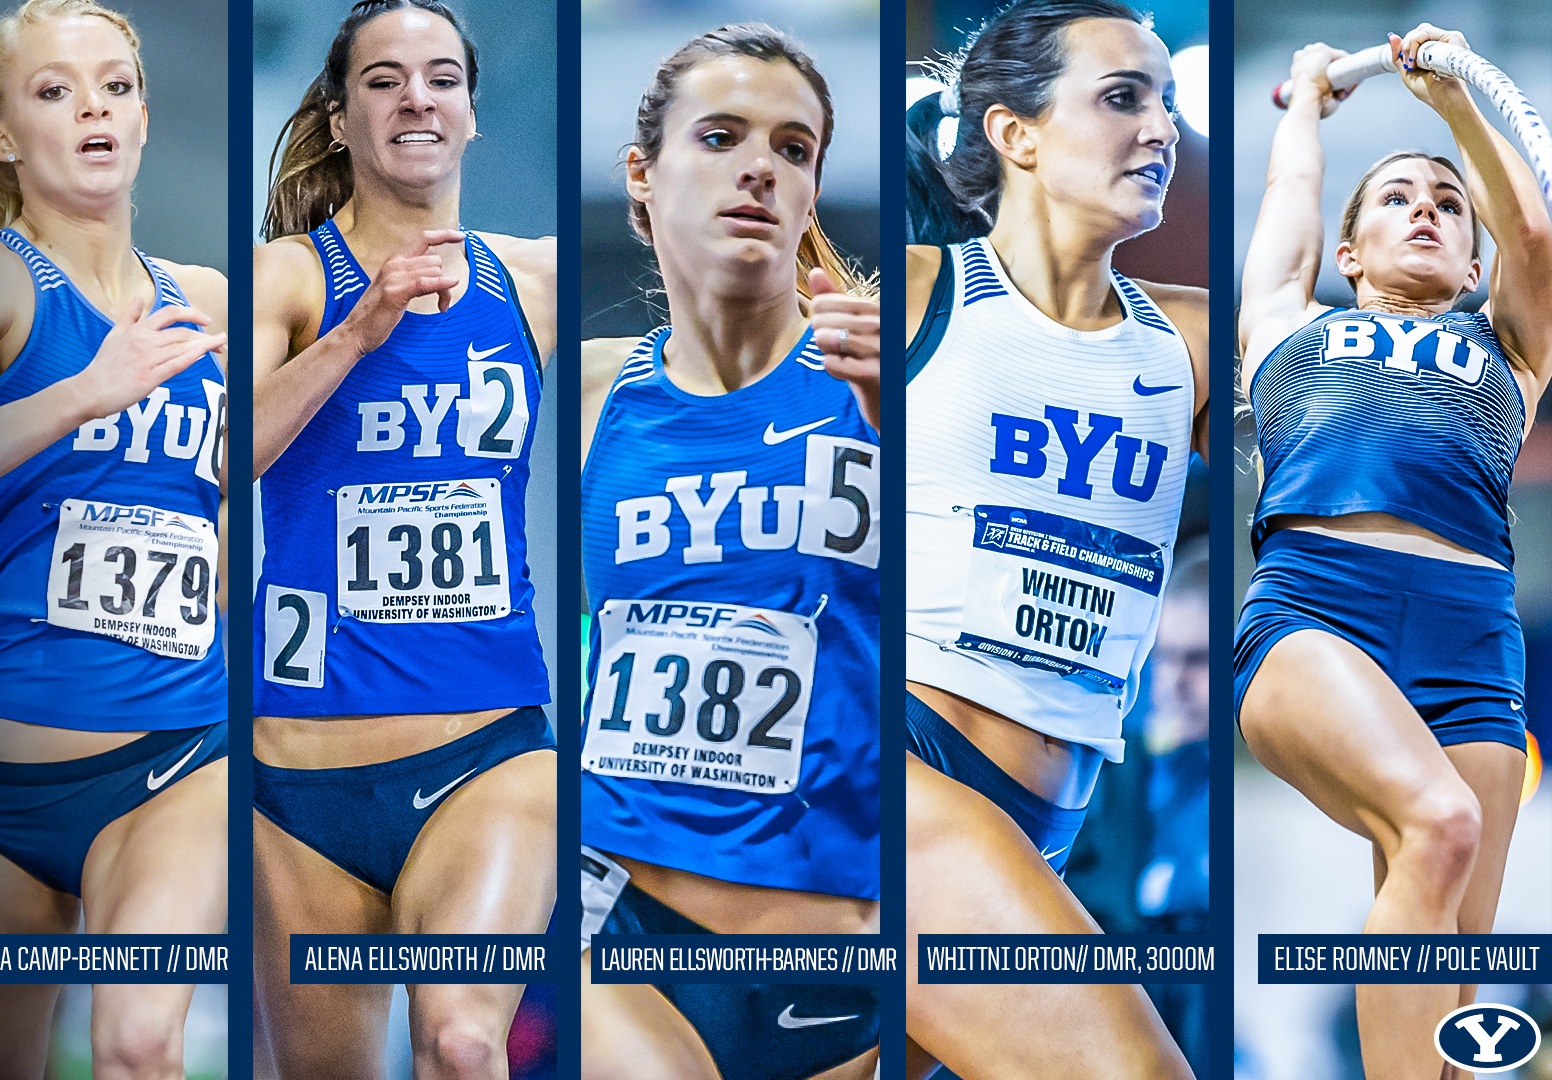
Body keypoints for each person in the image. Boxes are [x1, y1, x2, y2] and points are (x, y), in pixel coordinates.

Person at [0, 2, 229, 1077]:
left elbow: (221, 516)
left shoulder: (206, 302)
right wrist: (83, 393)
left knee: (139, 1046)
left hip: (177, 759)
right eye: (54, 91)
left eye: (116, 86)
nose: (93, 107)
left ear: (140, 117)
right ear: (4, 135)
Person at [250, 1, 558, 1076]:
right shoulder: (291, 278)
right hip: (300, 782)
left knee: (464, 1045)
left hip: (487, 757)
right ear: (341, 119)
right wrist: (361, 330)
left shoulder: (532, 279)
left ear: (472, 112)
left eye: (440, 77)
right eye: (383, 79)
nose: (416, 96)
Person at [1237, 23, 1550, 1080]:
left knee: (1456, 976)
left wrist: (1455, 102)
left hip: (1474, 644)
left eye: (1449, 204)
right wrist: (1315, 97)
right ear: (1348, 251)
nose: (1425, 206)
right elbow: (1288, 196)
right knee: (1442, 823)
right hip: (1318, 609)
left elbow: (1539, 244)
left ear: (1473, 264)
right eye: (1396, 198)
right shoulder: (1286, 323)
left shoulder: (1509, 348)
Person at [903, 0, 1207, 1075]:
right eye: (1124, 97)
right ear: (1014, 133)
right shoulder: (918, 296)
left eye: (1166, 101)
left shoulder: (1192, 337)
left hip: (1048, 821)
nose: (1162, 127)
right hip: (902, 769)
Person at [576, 24, 882, 1080]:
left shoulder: (885, 370)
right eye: (720, 135)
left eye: (793, 149)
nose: (761, 164)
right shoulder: (590, 390)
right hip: (622, 931)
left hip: (836, 954)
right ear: (642, 175)